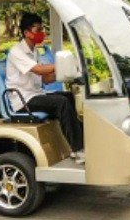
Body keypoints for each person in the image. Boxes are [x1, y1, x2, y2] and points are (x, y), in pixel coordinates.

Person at [7, 13, 84, 159]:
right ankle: (78, 149)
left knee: (70, 96)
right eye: (38, 30)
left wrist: (68, 72)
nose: (41, 33)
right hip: (23, 100)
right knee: (61, 103)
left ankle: (81, 142)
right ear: (26, 33)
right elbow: (39, 70)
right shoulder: (16, 52)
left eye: (42, 29)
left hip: (36, 94)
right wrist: (62, 64)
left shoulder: (34, 51)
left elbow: (47, 79)